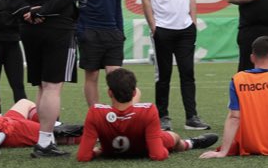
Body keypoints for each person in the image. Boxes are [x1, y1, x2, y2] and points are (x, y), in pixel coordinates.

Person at [6, 0, 83, 158]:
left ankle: (42, 138)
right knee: (52, 86)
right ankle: (45, 142)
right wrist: (45, 10)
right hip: (57, 25)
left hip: (29, 27)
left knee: (41, 85)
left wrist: (27, 11)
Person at [141, 0, 209, 132]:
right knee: (164, 75)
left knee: (188, 73)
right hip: (163, 29)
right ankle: (163, 116)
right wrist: (154, 27)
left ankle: (192, 117)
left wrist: (193, 23)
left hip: (186, 29)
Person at [77, 68, 218, 162]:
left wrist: (100, 151)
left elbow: (83, 156)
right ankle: (189, 144)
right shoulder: (148, 110)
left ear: (109, 93)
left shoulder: (96, 112)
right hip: (145, 146)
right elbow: (158, 155)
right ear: (134, 93)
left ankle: (189, 143)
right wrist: (150, 149)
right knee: (173, 136)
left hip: (112, 148)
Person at [78, 0, 125, 109]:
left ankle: (118, 115)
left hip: (112, 32)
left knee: (116, 77)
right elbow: (73, 0)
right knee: (92, 76)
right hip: (90, 31)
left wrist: (119, 31)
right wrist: (80, 31)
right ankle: (95, 115)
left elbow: (117, 2)